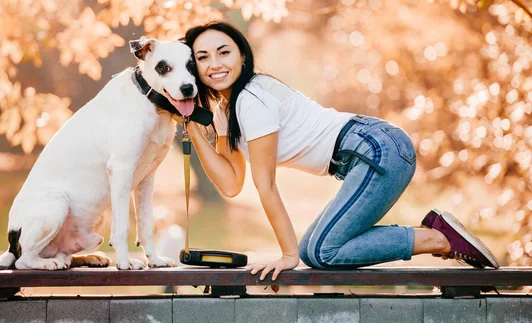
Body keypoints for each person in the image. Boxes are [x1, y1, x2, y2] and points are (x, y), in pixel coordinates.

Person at [177, 21, 499, 281]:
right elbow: (231, 183)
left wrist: (286, 256)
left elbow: (266, 185)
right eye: (203, 57)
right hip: (370, 151)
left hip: (376, 149)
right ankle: (434, 234)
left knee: (321, 252)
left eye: (224, 53)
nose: (215, 64)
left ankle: (437, 238)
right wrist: (191, 123)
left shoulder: (252, 99)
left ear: (242, 56)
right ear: (194, 67)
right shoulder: (230, 110)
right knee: (311, 251)